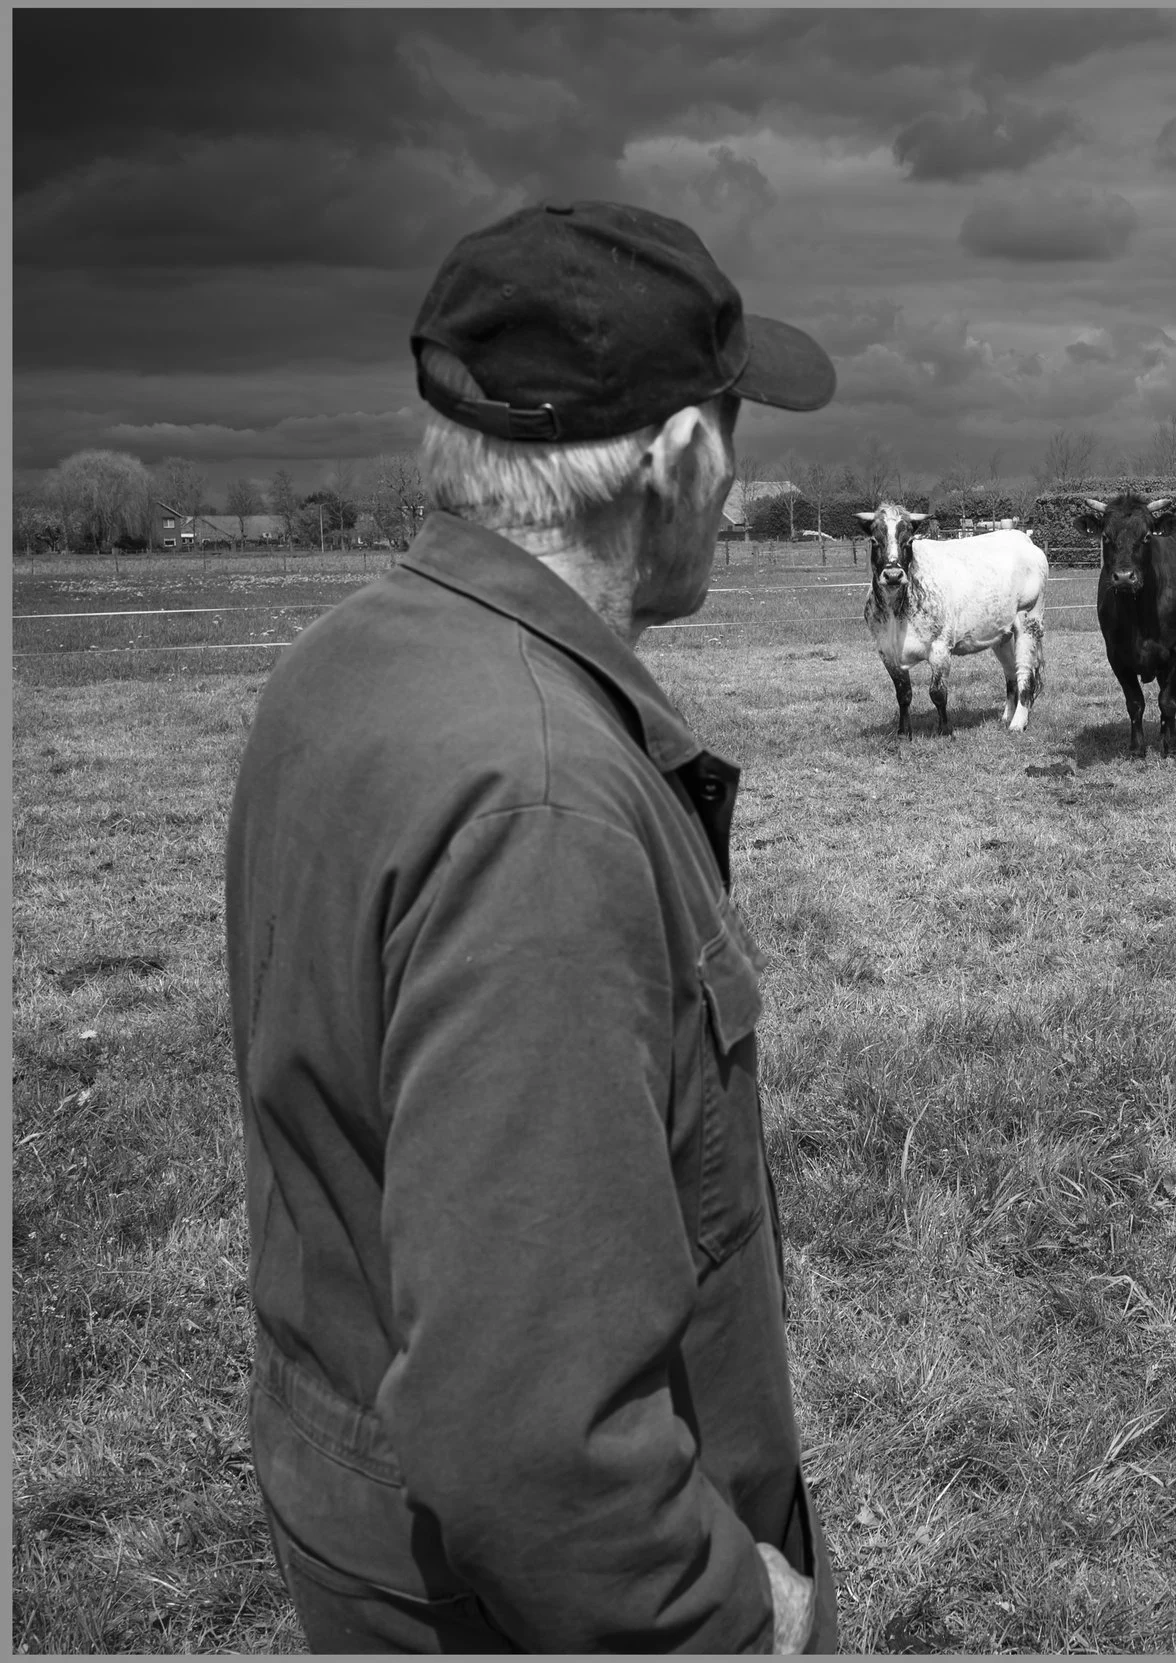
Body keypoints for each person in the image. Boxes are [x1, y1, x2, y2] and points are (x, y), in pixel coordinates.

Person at [225, 201, 840, 1652]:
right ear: (679, 458)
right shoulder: (540, 805)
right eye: (735, 433)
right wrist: (731, 1613)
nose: (739, 486)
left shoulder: (352, 659)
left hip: (364, 1504)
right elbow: (530, 1430)